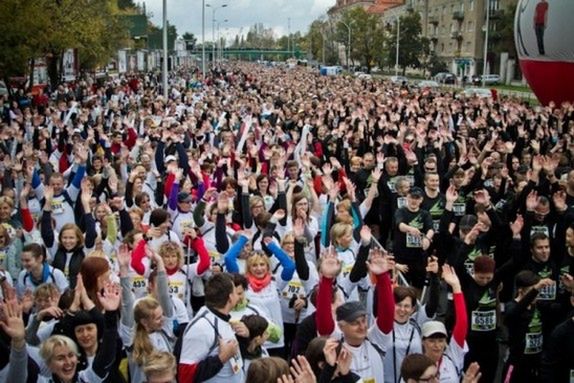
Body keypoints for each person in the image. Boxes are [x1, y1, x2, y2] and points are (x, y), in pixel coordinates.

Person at [36, 281, 120, 383]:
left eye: (71, 355)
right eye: (60, 358)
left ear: (77, 357)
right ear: (49, 364)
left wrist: (110, 314)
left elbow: (106, 355)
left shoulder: (86, 379)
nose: (68, 362)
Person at [177, 273, 244, 382]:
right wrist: (221, 358)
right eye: (236, 292)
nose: (238, 296)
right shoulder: (201, 327)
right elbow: (185, 376)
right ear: (230, 297)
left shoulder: (221, 318)